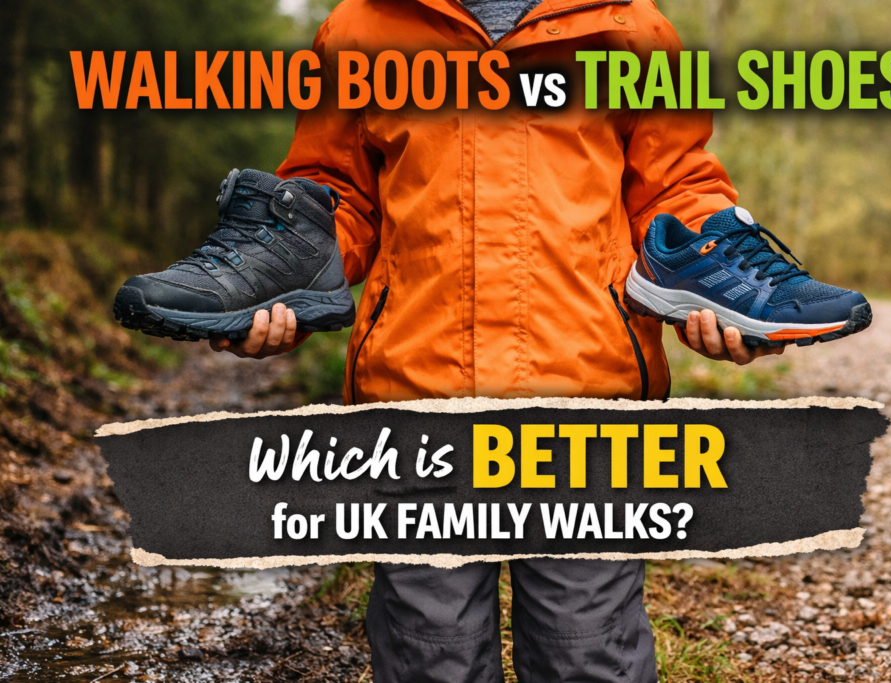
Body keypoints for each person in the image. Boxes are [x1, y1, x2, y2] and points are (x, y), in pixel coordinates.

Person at [210, 0, 783, 679]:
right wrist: (278, 286)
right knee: (431, 654)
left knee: (588, 653)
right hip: (417, 401)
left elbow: (677, 189)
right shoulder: (360, 29)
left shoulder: (631, 29)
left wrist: (729, 294)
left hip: (586, 400)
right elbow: (335, 195)